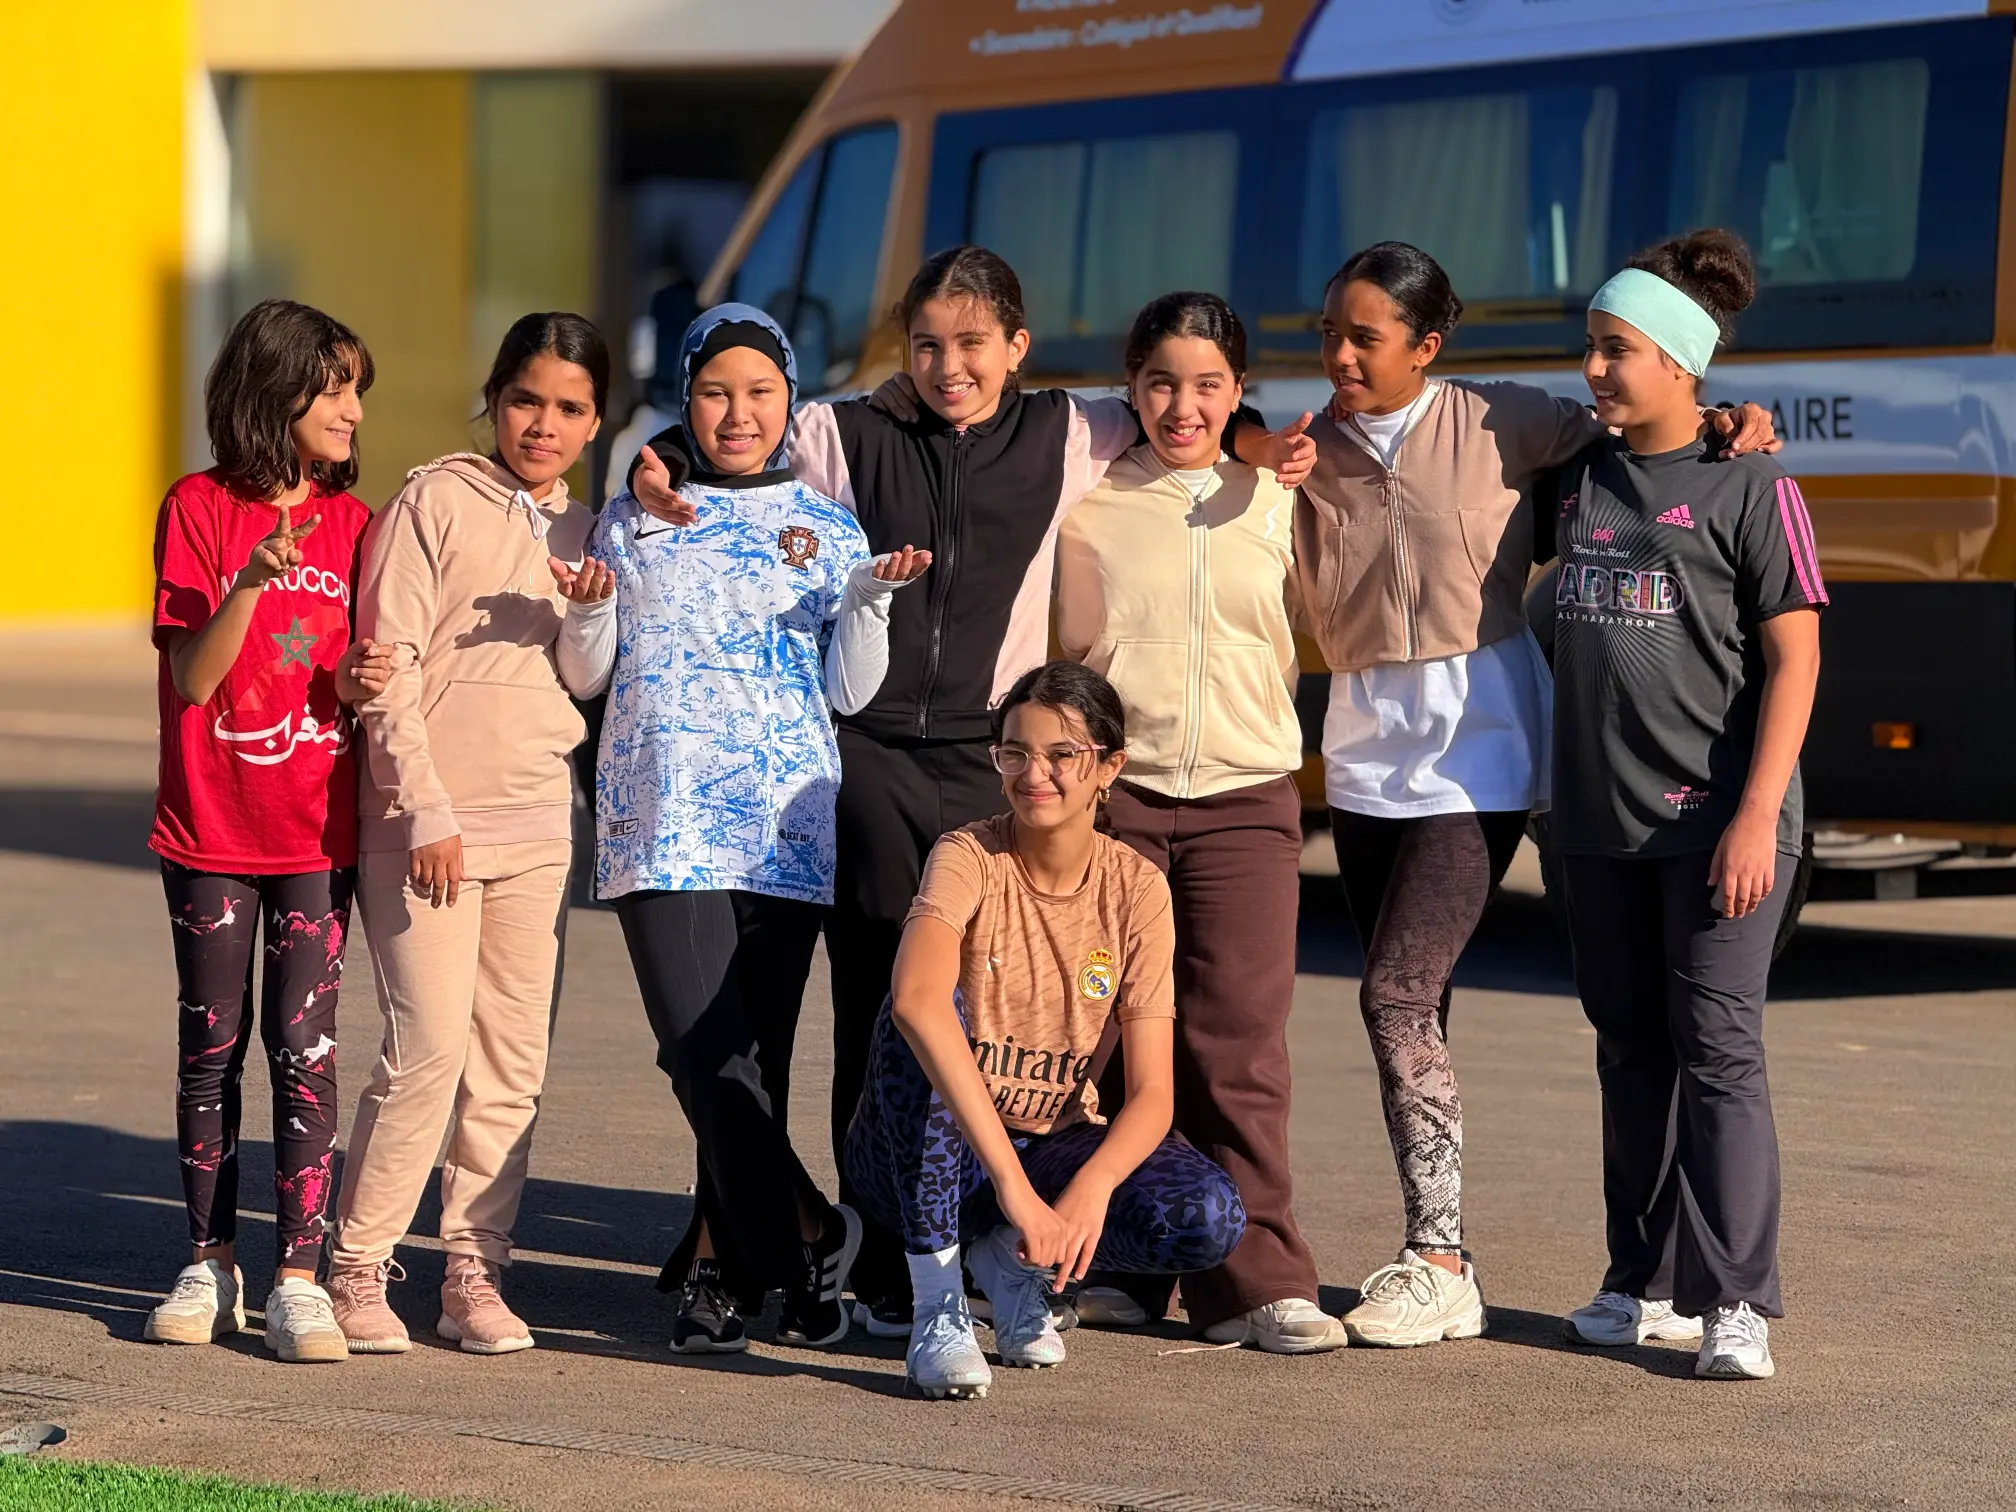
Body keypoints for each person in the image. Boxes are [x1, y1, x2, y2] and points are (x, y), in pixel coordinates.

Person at [629, 246, 1314, 1332]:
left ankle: (976, 1232)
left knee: (984, 1009)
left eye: (974, 344)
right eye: (928, 345)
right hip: (865, 761)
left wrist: (1257, 438)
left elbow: (1184, 403)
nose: (951, 367)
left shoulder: (1070, 431)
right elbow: (740, 429)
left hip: (989, 764)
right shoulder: (848, 433)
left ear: (1018, 347)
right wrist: (662, 454)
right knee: (877, 1010)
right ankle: (875, 1254)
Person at [1286, 242, 1779, 1348]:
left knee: (1394, 997)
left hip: (1485, 748)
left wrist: (1728, 418)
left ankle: (1441, 1259)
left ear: (1427, 345)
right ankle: (1478, 1254)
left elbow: (1648, 433)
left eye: (1366, 337)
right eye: (1328, 334)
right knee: (1419, 1009)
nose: (1341, 355)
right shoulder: (1305, 448)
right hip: (1364, 754)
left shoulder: (1503, 419)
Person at [590, 304, 929, 1353]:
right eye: (714, 392)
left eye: (760, 393)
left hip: (785, 824)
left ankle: (725, 1276)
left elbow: (852, 693)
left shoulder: (828, 526)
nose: (737, 414)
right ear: (684, 397)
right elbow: (588, 672)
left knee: (751, 1063)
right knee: (698, 1052)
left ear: (791, 400)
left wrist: (868, 602)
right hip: (658, 817)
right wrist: (586, 608)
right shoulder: (635, 513)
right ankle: (816, 1232)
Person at [1549, 230, 1823, 1381]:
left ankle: (1737, 1301)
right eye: (1592, 346)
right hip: (1595, 826)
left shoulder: (1755, 484)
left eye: (1616, 349)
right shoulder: (1576, 475)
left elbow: (1798, 660)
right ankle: (1640, 1281)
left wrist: (1757, 816)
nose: (1595, 368)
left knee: (1718, 1051)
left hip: (1721, 826)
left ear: (1679, 361)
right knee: (1631, 1049)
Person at [324, 313, 618, 1356]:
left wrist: (591, 612)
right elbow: (386, 664)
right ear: (495, 399)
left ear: (596, 422)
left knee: (510, 1061)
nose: (543, 424)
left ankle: (473, 1271)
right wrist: (424, 809)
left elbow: (583, 678)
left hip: (539, 818)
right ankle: (357, 1266)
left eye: (570, 408)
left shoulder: (590, 532)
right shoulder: (432, 500)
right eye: (526, 399)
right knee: (427, 1051)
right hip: (426, 821)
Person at [1053, 292, 1338, 1352]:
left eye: (1209, 385)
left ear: (1239, 391)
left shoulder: (1277, 496)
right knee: (1105, 1037)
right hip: (1114, 804)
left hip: (1246, 800)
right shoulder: (1087, 495)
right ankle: (1125, 1263)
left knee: (1238, 1045)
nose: (1184, 406)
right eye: (1161, 382)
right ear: (1130, 388)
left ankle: (1260, 1283)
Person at [844, 661, 1246, 1398]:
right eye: (1016, 753)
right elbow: (914, 1001)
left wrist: (1089, 1189)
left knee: (1206, 1217)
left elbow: (1153, 1094)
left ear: (1109, 768)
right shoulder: (967, 855)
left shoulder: (1137, 888)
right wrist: (1013, 1187)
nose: (1035, 775)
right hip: (922, 1156)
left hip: (1052, 1145)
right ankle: (938, 1308)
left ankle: (1011, 1264)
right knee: (927, 1024)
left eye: (1063, 755)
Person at [143, 299, 391, 1365]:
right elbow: (196, 678)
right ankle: (210, 1264)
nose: (352, 410)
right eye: (333, 388)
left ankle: (299, 1278)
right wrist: (248, 581)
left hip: (315, 837)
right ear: (274, 389)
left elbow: (346, 682)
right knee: (210, 1051)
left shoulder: (358, 524)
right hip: (209, 829)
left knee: (306, 1053)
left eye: (357, 391)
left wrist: (361, 678)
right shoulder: (197, 507)